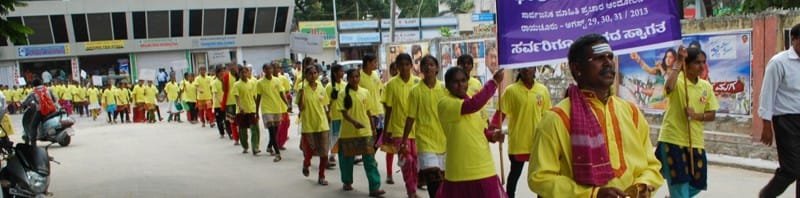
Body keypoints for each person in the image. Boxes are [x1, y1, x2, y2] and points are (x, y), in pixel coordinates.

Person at [528, 34, 664, 197]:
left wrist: (643, 185)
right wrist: (592, 194)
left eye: (610, 57)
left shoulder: (631, 112)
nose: (608, 63)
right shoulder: (557, 119)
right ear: (577, 68)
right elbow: (540, 178)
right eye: (598, 58)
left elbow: (652, 165)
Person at [656, 46, 718, 198]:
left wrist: (696, 115)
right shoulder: (677, 81)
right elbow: (668, 87)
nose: (702, 66)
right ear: (687, 64)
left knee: (698, 184)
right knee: (680, 186)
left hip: (695, 141)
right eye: (697, 62)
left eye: (704, 62)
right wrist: (678, 62)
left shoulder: (706, 87)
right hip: (672, 139)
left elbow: (712, 114)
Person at [436, 66, 506, 198]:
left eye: (463, 80)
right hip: (459, 169)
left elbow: (482, 131)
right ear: (447, 85)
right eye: (455, 82)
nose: (460, 85)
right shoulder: (445, 103)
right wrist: (494, 83)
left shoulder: (475, 104)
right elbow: (472, 105)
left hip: (484, 166)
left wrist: (493, 136)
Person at [758, 23, 800, 198]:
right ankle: (766, 195)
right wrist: (766, 125)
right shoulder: (778, 62)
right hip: (786, 120)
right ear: (794, 40)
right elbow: (767, 94)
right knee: (792, 168)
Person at [499, 67, 551, 198]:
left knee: (541, 176)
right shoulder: (511, 91)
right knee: (515, 174)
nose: (527, 70)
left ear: (535, 70)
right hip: (518, 142)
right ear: (519, 71)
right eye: (524, 68)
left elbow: (547, 116)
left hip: (538, 142)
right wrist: (493, 130)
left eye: (530, 68)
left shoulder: (542, 90)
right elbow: (500, 114)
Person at [401, 55, 447, 198]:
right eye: (425, 65)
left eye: (432, 64)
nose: (428, 67)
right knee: (433, 180)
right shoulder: (415, 91)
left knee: (444, 181)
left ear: (437, 68)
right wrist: (403, 141)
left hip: (446, 141)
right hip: (425, 142)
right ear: (420, 69)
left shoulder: (445, 89)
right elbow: (410, 118)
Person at [336, 68, 386, 197]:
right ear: (348, 78)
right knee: (346, 160)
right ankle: (347, 182)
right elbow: (344, 113)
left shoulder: (365, 92)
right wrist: (354, 122)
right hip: (348, 133)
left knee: (370, 160)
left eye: (357, 77)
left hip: (365, 132)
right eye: (352, 77)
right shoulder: (342, 94)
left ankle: (374, 187)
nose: (355, 79)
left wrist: (373, 128)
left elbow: (368, 111)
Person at [384, 53, 421, 198]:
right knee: (407, 160)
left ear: (411, 66)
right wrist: (387, 130)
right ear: (397, 67)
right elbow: (389, 108)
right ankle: (411, 190)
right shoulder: (391, 85)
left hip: (417, 129)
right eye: (401, 65)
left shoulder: (418, 82)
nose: (405, 68)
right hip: (399, 129)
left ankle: (415, 184)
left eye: (407, 64)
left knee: (416, 160)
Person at [359, 54, 391, 184]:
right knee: (370, 138)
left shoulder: (375, 76)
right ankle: (369, 156)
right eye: (373, 62)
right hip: (368, 113)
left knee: (379, 137)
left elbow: (380, 92)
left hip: (379, 112)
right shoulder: (359, 77)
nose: (375, 65)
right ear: (367, 63)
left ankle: (371, 154)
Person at [297, 65, 331, 185]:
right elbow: (300, 108)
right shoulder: (302, 89)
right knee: (310, 150)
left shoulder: (321, 87)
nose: (313, 75)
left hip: (322, 124)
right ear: (306, 75)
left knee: (324, 152)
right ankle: (306, 163)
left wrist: (328, 116)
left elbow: (325, 104)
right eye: (310, 73)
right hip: (309, 125)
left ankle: (321, 176)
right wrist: (301, 96)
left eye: (315, 73)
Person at [256, 63, 288, 162]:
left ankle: (269, 146)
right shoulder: (260, 83)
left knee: (275, 130)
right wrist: (256, 111)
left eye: (270, 68)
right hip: (266, 109)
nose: (269, 71)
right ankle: (277, 153)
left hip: (277, 108)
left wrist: (287, 103)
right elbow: (258, 97)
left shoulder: (277, 81)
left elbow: (281, 93)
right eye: (267, 69)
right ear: (263, 71)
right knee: (272, 131)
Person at [232, 66, 260, 155]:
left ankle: (255, 147)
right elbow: (237, 97)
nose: (244, 74)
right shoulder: (236, 84)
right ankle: (245, 146)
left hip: (252, 108)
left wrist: (257, 109)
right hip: (242, 111)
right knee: (242, 130)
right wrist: (240, 107)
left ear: (248, 73)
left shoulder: (252, 83)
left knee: (255, 128)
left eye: (246, 72)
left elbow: (254, 96)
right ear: (239, 74)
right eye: (242, 73)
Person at [326, 64, 345, 166]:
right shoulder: (329, 86)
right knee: (334, 136)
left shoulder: (345, 84)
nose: (342, 73)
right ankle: (332, 154)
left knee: (343, 135)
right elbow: (327, 103)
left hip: (344, 115)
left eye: (343, 71)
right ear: (335, 73)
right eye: (341, 71)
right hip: (334, 115)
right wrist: (328, 113)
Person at [222, 63, 241, 145]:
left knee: (240, 121)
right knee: (232, 121)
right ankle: (236, 138)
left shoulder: (240, 76)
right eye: (231, 66)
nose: (233, 68)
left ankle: (241, 137)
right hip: (230, 102)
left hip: (240, 102)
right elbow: (224, 90)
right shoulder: (226, 76)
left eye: (234, 66)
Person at [212, 67, 227, 138]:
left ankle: (229, 132)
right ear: (217, 73)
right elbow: (215, 94)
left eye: (223, 72)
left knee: (226, 119)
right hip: (218, 105)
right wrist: (221, 102)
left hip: (226, 103)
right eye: (220, 72)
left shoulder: (225, 81)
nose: (222, 73)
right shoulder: (214, 82)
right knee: (219, 120)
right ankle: (222, 133)